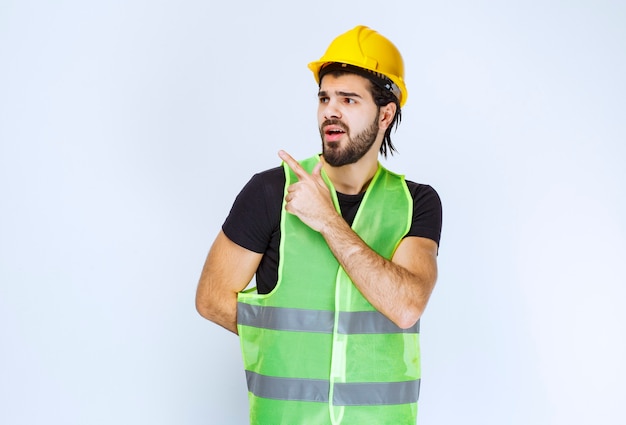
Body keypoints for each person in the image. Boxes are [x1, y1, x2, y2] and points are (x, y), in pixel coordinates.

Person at [196, 25, 442, 425]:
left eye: (348, 99)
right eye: (324, 97)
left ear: (385, 113)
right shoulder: (270, 191)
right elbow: (211, 297)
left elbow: (406, 306)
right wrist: (286, 347)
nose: (331, 110)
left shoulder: (417, 202)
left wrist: (327, 220)